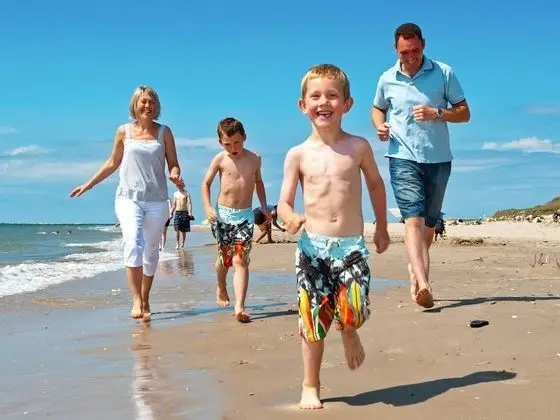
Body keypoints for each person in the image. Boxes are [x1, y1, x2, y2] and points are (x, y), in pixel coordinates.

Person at [277, 64, 390, 410]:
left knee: (353, 309)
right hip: (313, 249)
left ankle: (349, 329)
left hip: (351, 246)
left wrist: (382, 226)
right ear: (303, 105)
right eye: (315, 96)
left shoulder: (358, 147)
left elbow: (375, 185)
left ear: (347, 104)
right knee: (312, 321)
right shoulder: (297, 154)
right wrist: (290, 218)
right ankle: (310, 384)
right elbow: (283, 202)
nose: (323, 102)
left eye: (332, 96)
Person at [371, 22, 470, 308]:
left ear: (423, 45)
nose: (411, 57)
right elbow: (377, 108)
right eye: (405, 52)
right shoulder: (387, 78)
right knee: (412, 220)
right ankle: (424, 283)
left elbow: (464, 113)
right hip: (402, 156)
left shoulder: (444, 72)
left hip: (438, 159)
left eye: (415, 50)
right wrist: (380, 127)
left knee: (428, 226)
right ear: (395, 49)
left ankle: (415, 270)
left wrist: (436, 112)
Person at [70, 85, 184, 322]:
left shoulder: (164, 132)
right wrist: (89, 184)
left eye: (151, 101)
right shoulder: (124, 131)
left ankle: (146, 297)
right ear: (135, 104)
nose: (147, 105)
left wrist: (174, 174)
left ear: (157, 105)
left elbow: (173, 163)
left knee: (151, 250)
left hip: (157, 200)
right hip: (128, 198)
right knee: (132, 243)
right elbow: (112, 163)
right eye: (143, 101)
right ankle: (136, 300)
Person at [201, 117, 270, 323]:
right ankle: (221, 285)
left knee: (240, 259)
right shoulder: (220, 159)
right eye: (228, 144)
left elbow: (258, 182)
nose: (233, 148)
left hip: (245, 216)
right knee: (225, 259)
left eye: (237, 142)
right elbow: (205, 184)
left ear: (245, 137)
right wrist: (208, 207)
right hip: (223, 215)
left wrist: (264, 206)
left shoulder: (255, 159)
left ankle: (240, 306)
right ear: (220, 143)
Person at [171, 185, 193, 249]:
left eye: (180, 185)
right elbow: (174, 204)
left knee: (183, 230)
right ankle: (177, 243)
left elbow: (189, 203)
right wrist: (171, 212)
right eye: (178, 185)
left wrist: (190, 212)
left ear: (183, 185)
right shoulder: (175, 194)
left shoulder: (187, 193)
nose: (179, 186)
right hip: (177, 212)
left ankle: (182, 243)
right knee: (177, 229)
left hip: (185, 212)